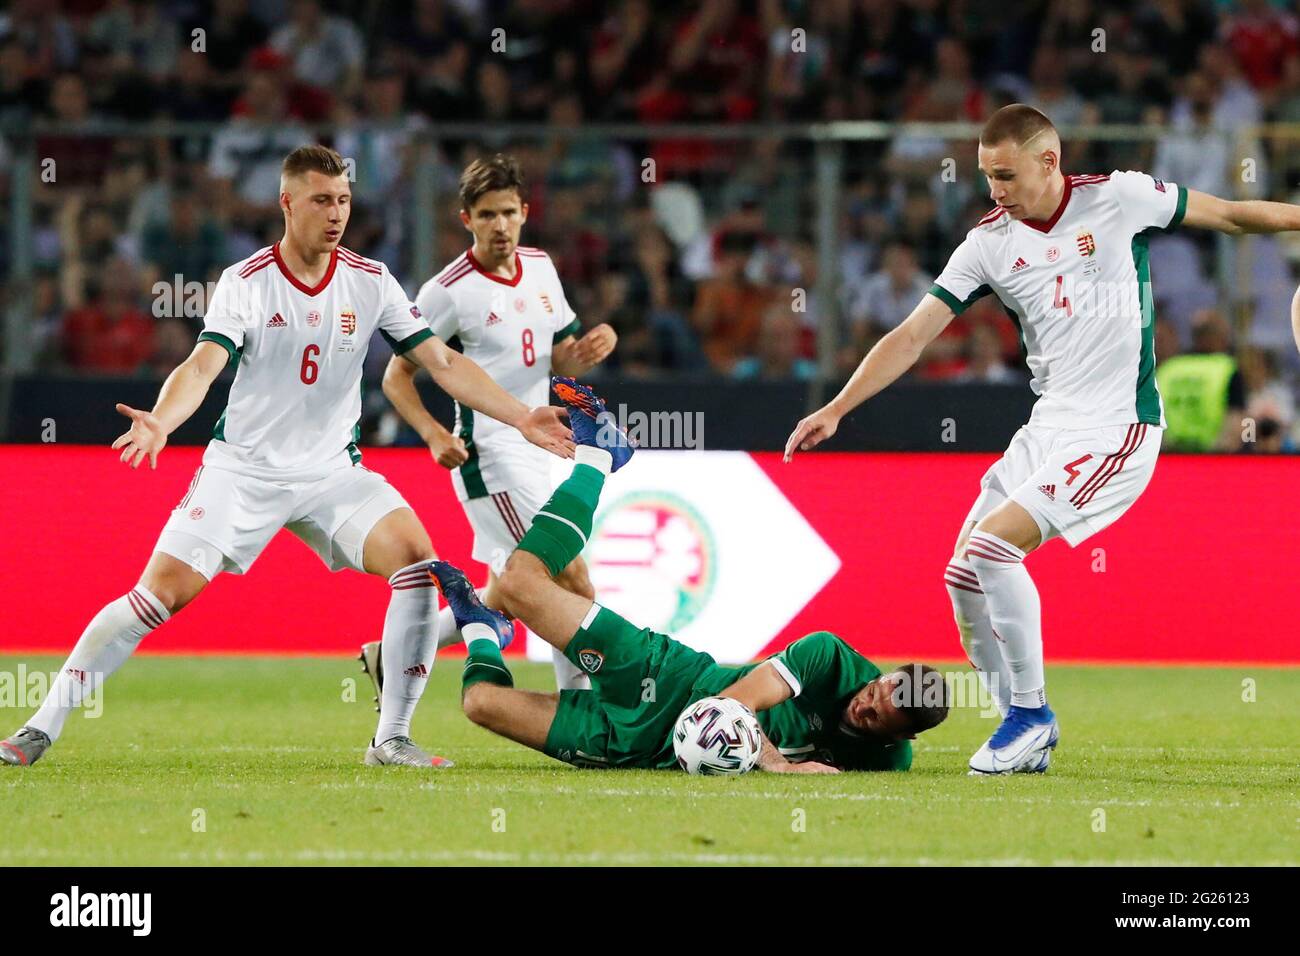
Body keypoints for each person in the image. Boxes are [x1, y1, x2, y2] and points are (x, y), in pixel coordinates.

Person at [0, 145, 573, 770]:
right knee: (158, 597)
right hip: (243, 471)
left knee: (416, 561)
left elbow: (443, 361)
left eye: (345, 201)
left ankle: (392, 738)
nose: (336, 214)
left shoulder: (371, 280)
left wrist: (521, 416)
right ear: (287, 203)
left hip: (332, 473)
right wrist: (162, 421)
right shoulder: (247, 283)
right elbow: (202, 365)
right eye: (322, 200)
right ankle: (39, 726)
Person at [784, 103, 1300, 775]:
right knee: (963, 575)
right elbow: (913, 334)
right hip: (1047, 428)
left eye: (1004, 175)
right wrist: (840, 405)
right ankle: (1022, 725)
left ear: (1048, 161)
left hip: (1118, 427)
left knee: (995, 547)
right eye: (985, 176)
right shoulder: (989, 243)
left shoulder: (1120, 198)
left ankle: (1031, 716)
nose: (994, 191)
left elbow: (1232, 215)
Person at [428, 377, 949, 773]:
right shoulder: (830, 658)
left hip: (638, 749)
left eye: (879, 717)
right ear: (884, 676)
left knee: (480, 703)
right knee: (519, 583)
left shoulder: (890, 761)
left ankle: (481, 630)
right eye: (876, 691)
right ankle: (597, 457)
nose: (865, 706)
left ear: (903, 736)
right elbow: (732, 704)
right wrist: (778, 767)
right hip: (665, 679)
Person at [369, 154, 617, 701]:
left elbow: (562, 361)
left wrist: (593, 349)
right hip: (491, 455)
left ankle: (395, 650)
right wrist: (434, 434)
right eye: (486, 215)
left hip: (545, 445)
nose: (499, 226)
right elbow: (395, 377)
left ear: (525, 212)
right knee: (567, 574)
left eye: (508, 212)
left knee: (515, 588)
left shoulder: (543, 267)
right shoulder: (448, 291)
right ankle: (578, 705)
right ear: (466, 220)